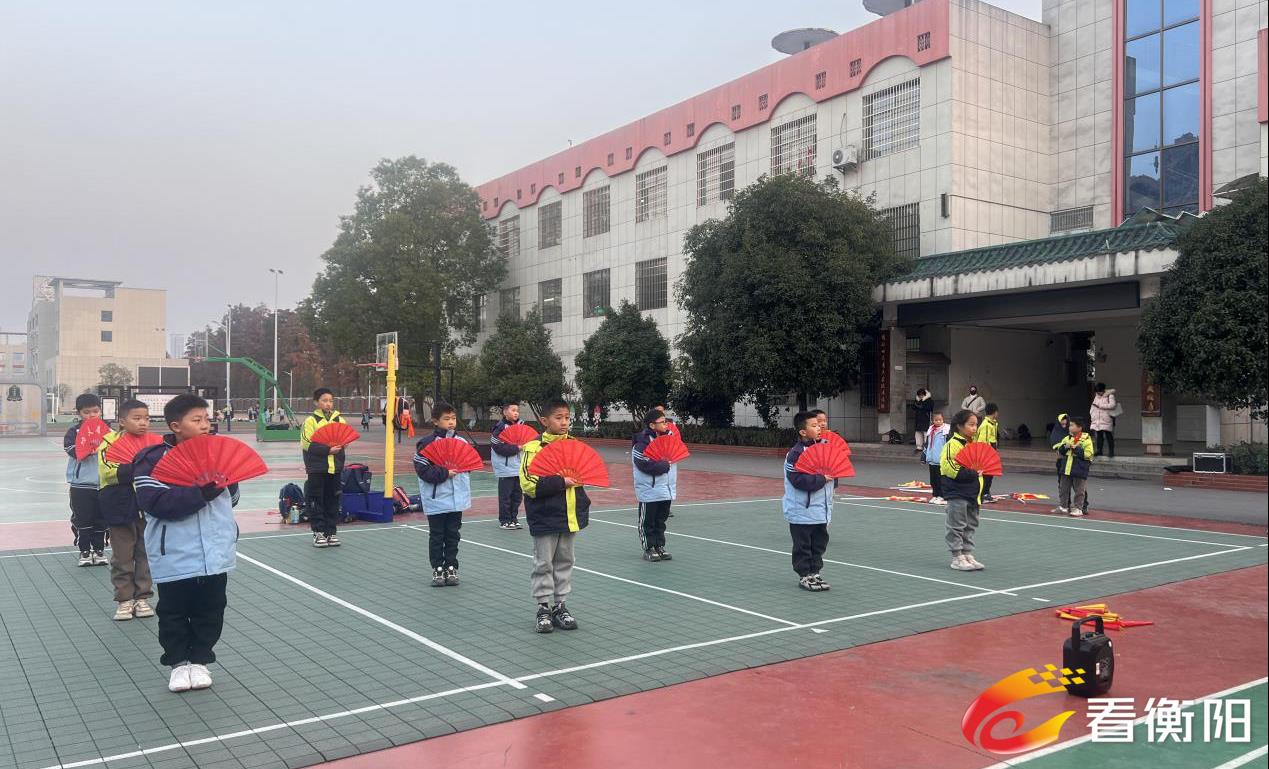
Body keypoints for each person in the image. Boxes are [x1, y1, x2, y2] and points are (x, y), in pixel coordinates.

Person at [132, 394, 241, 693]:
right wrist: (199, 494)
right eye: (197, 420)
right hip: (174, 552)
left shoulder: (220, 453)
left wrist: (226, 481)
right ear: (175, 426)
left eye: (207, 419)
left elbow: (232, 499)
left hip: (215, 550)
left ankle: (200, 660)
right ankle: (178, 664)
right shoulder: (151, 460)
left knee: (212, 609)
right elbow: (155, 503)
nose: (205, 425)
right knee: (173, 610)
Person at [520, 398, 590, 633]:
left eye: (567, 418)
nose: (564, 422)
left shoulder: (576, 445)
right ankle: (543, 608)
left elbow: (585, 473)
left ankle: (560, 606)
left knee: (565, 561)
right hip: (544, 516)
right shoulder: (533, 448)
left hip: (570, 516)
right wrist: (561, 482)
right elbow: (528, 483)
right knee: (543, 563)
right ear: (544, 420)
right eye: (558, 418)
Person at [97, 400, 155, 621]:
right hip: (118, 506)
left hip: (147, 507)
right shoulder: (108, 442)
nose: (143, 423)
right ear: (122, 421)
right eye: (137, 418)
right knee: (122, 556)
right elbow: (108, 472)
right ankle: (124, 600)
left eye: (147, 418)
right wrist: (139, 467)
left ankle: (143, 597)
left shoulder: (154, 443)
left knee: (144, 554)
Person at [414, 402, 473, 586]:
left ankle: (451, 567)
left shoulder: (462, 442)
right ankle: (438, 569)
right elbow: (423, 471)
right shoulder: (426, 444)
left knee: (453, 534)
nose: (451, 422)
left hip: (457, 500)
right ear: (435, 421)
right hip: (436, 499)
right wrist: (445, 473)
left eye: (453, 418)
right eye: (446, 419)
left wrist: (462, 466)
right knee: (437, 535)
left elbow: (470, 464)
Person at [783, 411, 835, 592]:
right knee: (803, 545)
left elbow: (834, 475)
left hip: (822, 510)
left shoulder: (825, 448)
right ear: (803, 432)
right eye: (814, 425)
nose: (819, 427)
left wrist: (833, 476)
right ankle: (804, 575)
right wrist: (822, 479)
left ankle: (815, 572)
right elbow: (797, 480)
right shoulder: (795, 454)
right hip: (801, 511)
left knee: (819, 544)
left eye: (820, 424)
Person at [299, 388, 346, 548]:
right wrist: (327, 450)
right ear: (316, 402)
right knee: (315, 500)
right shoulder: (310, 421)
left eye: (330, 401)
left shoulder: (339, 419)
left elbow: (345, 438)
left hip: (335, 468)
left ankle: (331, 532)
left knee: (332, 500)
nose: (328, 404)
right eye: (324, 400)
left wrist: (343, 444)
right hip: (317, 469)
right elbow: (306, 443)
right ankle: (318, 532)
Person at [64, 393, 106, 567]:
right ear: (79, 413)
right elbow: (71, 449)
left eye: (95, 411)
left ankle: (99, 550)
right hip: (80, 485)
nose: (91, 415)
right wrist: (89, 449)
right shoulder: (73, 432)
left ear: (100, 411)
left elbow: (116, 450)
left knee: (101, 519)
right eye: (86, 412)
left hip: (103, 484)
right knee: (83, 519)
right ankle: (84, 551)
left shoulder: (108, 431)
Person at [941, 409, 985, 572]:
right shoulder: (952, 445)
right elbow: (949, 468)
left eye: (976, 425)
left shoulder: (974, 444)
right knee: (956, 525)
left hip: (973, 493)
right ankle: (957, 557)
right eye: (971, 424)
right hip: (957, 492)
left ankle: (967, 553)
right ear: (959, 426)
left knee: (971, 524)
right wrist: (973, 473)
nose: (974, 428)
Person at [633, 409, 677, 561]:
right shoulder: (641, 443)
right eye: (662, 422)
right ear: (652, 425)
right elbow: (643, 464)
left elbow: (675, 457)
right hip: (649, 490)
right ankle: (649, 548)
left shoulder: (670, 439)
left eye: (666, 422)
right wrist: (663, 466)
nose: (666, 425)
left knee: (660, 521)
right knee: (647, 522)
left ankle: (659, 546)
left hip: (665, 489)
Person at [489, 401, 525, 530]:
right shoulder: (499, 428)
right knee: (506, 496)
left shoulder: (522, 426)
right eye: (513, 410)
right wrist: (516, 448)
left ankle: (513, 519)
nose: (516, 413)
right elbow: (497, 447)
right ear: (505, 412)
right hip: (505, 469)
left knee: (517, 496)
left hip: (518, 467)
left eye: (517, 411)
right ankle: (504, 520)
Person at [1054, 413, 1095, 517]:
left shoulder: (1086, 439)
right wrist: (1065, 447)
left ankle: (1078, 508)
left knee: (1079, 490)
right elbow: (1060, 451)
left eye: (1072, 425)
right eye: (1070, 425)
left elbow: (1088, 454)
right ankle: (1063, 506)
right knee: (1063, 488)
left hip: (1079, 468)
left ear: (1079, 427)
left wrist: (1076, 448)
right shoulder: (1067, 438)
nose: (1069, 427)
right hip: (1066, 468)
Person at [976, 403, 1001, 503]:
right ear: (995, 412)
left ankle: (986, 493)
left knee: (990, 474)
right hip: (986, 453)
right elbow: (983, 442)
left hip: (991, 451)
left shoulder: (992, 423)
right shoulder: (986, 425)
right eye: (997, 412)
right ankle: (983, 494)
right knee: (986, 474)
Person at [923, 412, 950, 505]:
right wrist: (924, 456)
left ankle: (942, 496)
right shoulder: (931, 430)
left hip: (941, 460)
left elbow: (949, 445)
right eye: (936, 420)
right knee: (933, 480)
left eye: (940, 420)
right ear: (932, 421)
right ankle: (935, 495)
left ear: (943, 420)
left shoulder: (946, 430)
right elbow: (927, 444)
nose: (938, 422)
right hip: (932, 459)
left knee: (941, 480)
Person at [1089, 383, 1118, 458]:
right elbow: (1093, 406)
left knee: (1109, 435)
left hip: (1106, 418)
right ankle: (1099, 451)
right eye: (1097, 392)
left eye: (1099, 391)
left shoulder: (1110, 395)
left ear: (1103, 390)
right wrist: (1092, 415)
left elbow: (1112, 405)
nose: (1098, 393)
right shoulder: (1096, 396)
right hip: (1097, 419)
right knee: (1099, 436)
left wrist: (1101, 406)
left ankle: (1111, 452)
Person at [913, 389, 933, 455]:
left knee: (926, 433)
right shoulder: (917, 400)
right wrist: (917, 404)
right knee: (918, 432)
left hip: (925, 418)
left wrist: (921, 405)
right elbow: (913, 407)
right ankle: (919, 446)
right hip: (918, 419)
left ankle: (927, 447)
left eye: (922, 395)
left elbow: (930, 408)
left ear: (924, 394)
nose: (921, 396)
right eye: (919, 395)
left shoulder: (929, 400)